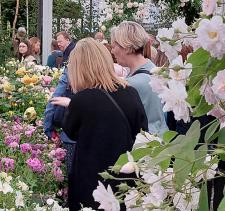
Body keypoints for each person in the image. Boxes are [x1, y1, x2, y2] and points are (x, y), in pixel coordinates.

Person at [50, 38, 148, 210]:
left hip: (92, 183)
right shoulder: (130, 93)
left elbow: (70, 131)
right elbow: (142, 132)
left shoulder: (82, 100)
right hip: (125, 180)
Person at [111, 21, 168, 136]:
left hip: (145, 146)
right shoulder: (155, 70)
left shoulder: (131, 84)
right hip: (161, 139)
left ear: (126, 47)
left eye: (114, 46)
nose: (112, 51)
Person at [43, 31, 76, 175]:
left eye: (60, 40)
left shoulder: (71, 68)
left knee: (73, 179)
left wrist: (49, 128)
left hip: (72, 136)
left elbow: (55, 98)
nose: (58, 43)